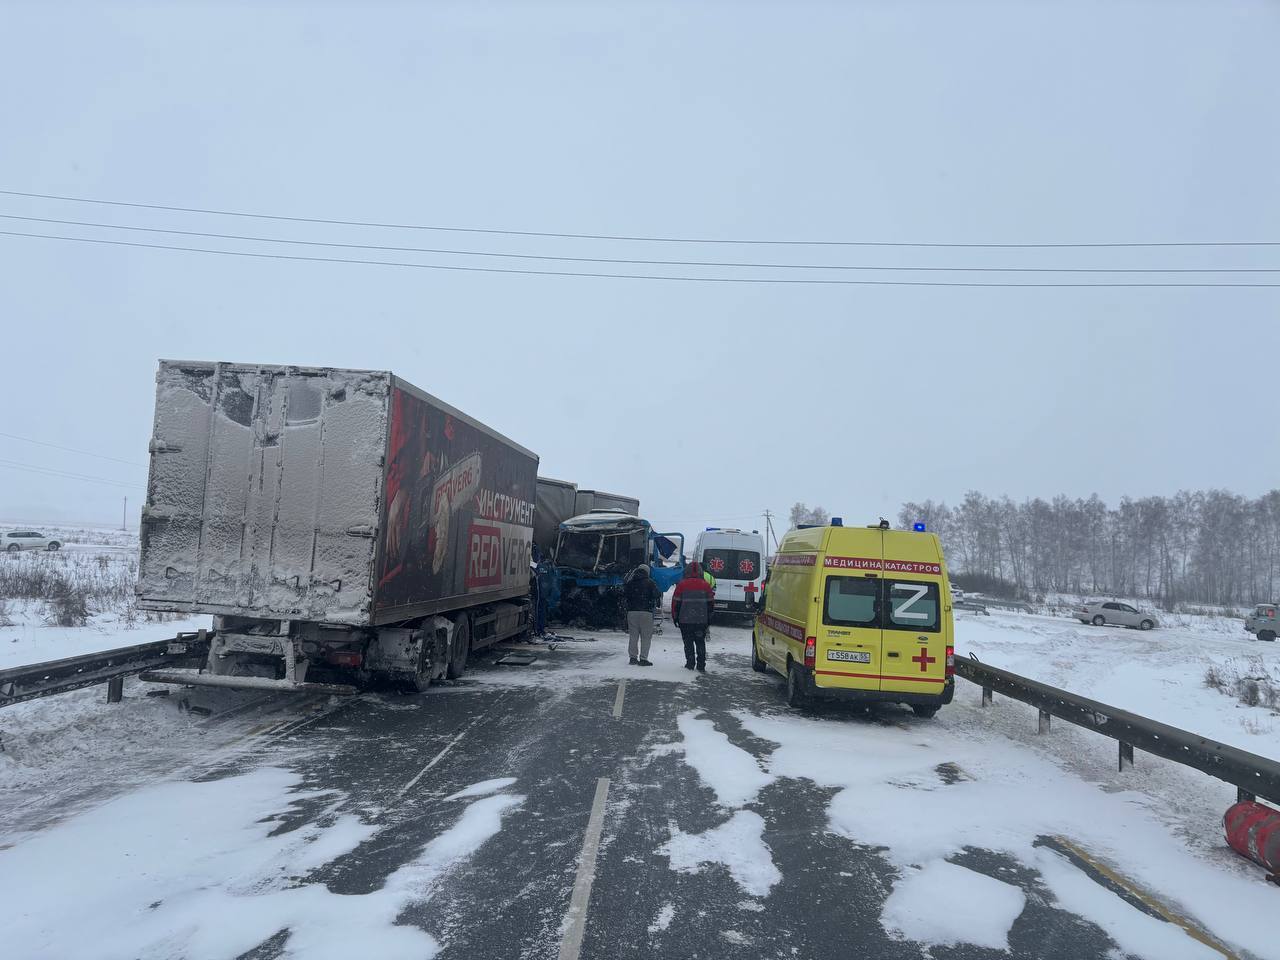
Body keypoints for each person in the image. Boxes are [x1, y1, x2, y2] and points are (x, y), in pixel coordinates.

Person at [672, 561, 715, 673]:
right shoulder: (705, 585)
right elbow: (711, 604)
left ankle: (690, 663)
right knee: (700, 642)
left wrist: (675, 617)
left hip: (685, 620)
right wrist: (709, 619)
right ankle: (701, 664)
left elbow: (675, 603)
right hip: (701, 620)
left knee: (688, 642)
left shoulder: (682, 584)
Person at [623, 564, 660, 666]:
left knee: (633, 636)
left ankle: (633, 658)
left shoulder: (630, 583)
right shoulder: (650, 583)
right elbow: (657, 594)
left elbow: (624, 594)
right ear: (647, 572)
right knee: (646, 637)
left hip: (632, 612)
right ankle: (643, 659)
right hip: (646, 612)